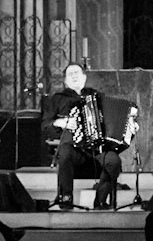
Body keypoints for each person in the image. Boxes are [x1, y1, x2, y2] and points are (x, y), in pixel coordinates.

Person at [43, 63, 136, 211]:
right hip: (73, 148)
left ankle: (100, 200)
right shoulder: (58, 99)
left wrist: (129, 126)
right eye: (70, 74)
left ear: (84, 78)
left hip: (97, 149)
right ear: (65, 81)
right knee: (65, 152)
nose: (74, 76)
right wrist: (61, 122)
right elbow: (46, 125)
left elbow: (112, 120)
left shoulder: (97, 96)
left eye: (77, 73)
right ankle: (66, 197)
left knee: (113, 161)